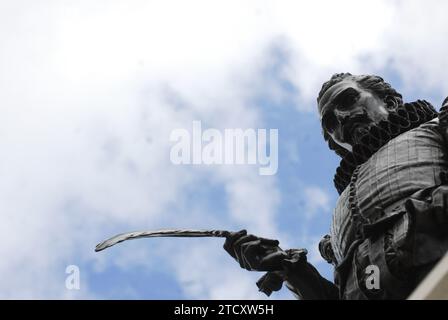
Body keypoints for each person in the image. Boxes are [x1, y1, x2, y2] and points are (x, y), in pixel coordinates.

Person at [224, 73, 448, 299]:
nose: (340, 117)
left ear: (389, 102)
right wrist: (293, 271)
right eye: (330, 122)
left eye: (349, 100)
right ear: (336, 142)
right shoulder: (341, 209)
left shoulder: (434, 128)